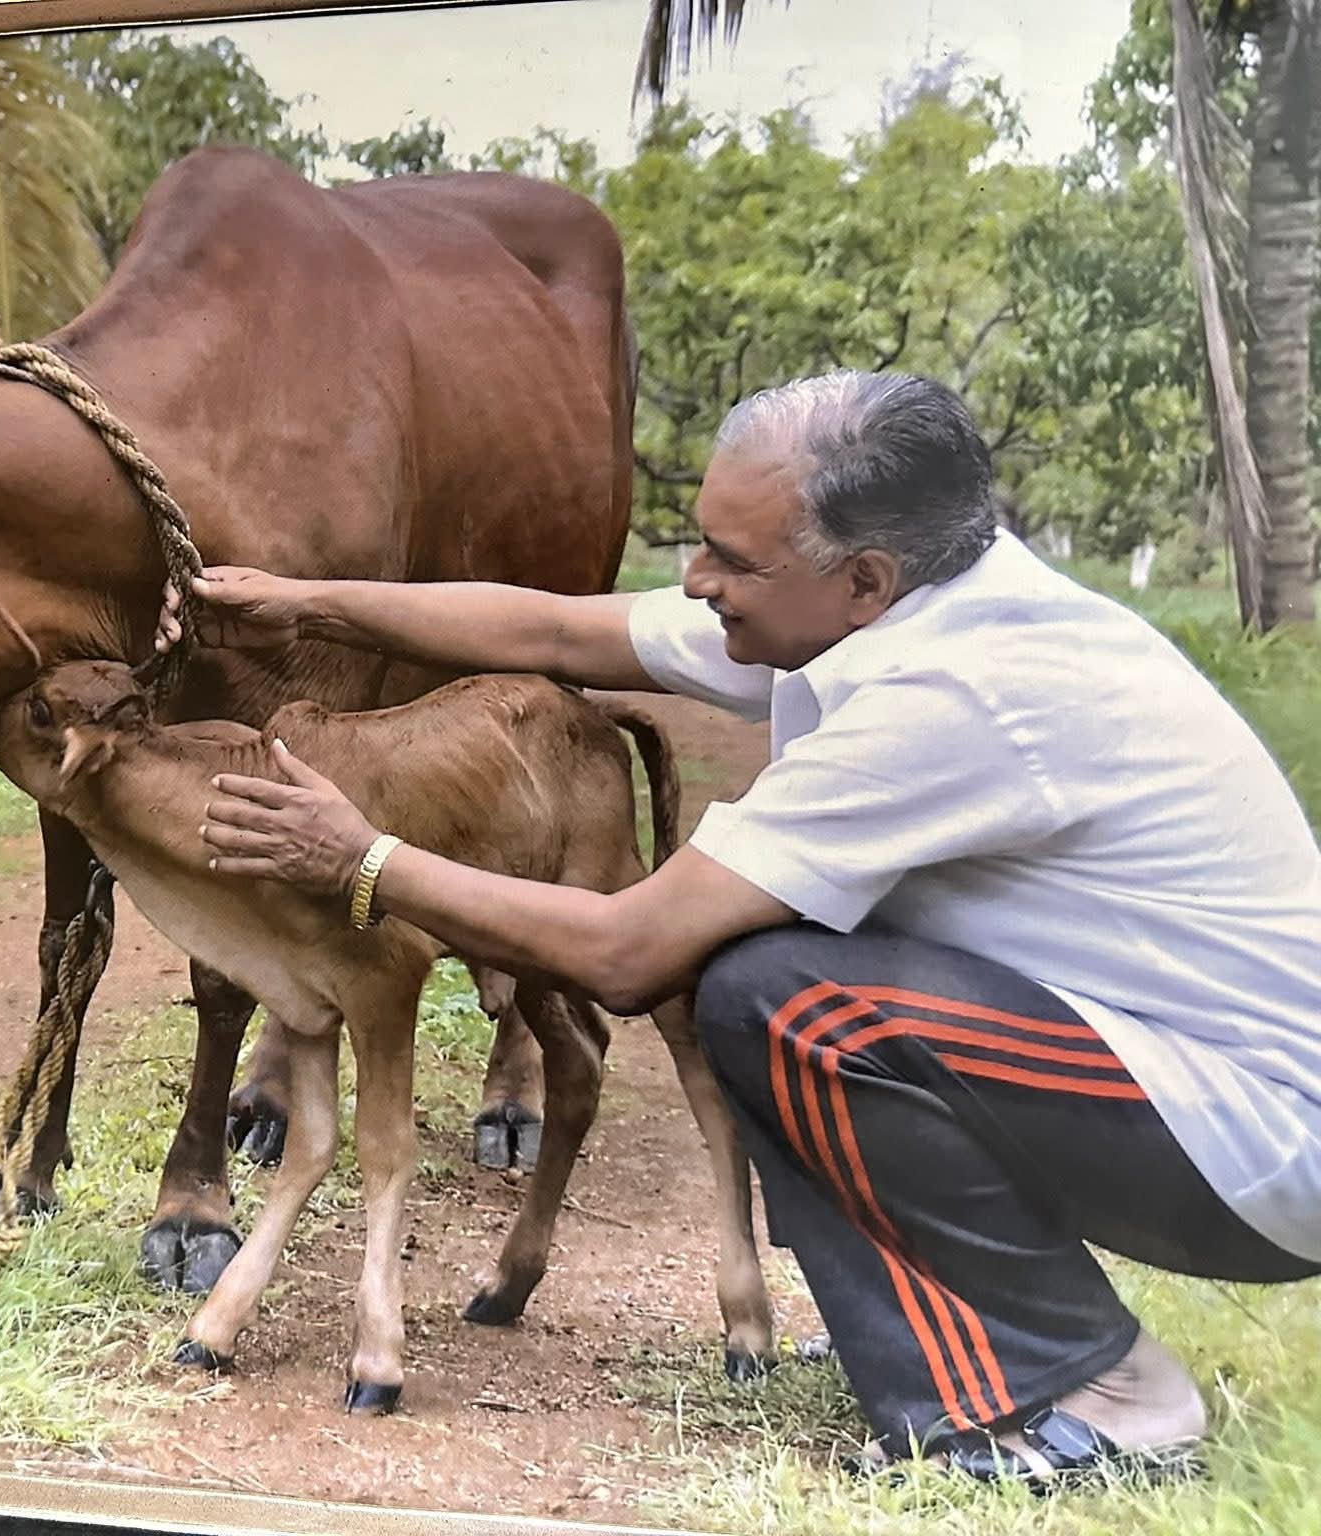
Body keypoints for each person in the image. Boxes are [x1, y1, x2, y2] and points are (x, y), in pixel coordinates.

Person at [155, 370, 1321, 1485]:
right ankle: (935, 1333)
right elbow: (560, 634)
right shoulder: (889, 597)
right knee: (769, 985)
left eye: (730, 559)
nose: (696, 578)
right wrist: (304, 603)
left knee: (781, 998)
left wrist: (359, 859)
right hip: (1130, 1073)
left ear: (862, 580)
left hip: (1258, 1138)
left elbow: (624, 955)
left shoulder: (950, 692)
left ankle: (1111, 1391)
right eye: (699, 538)